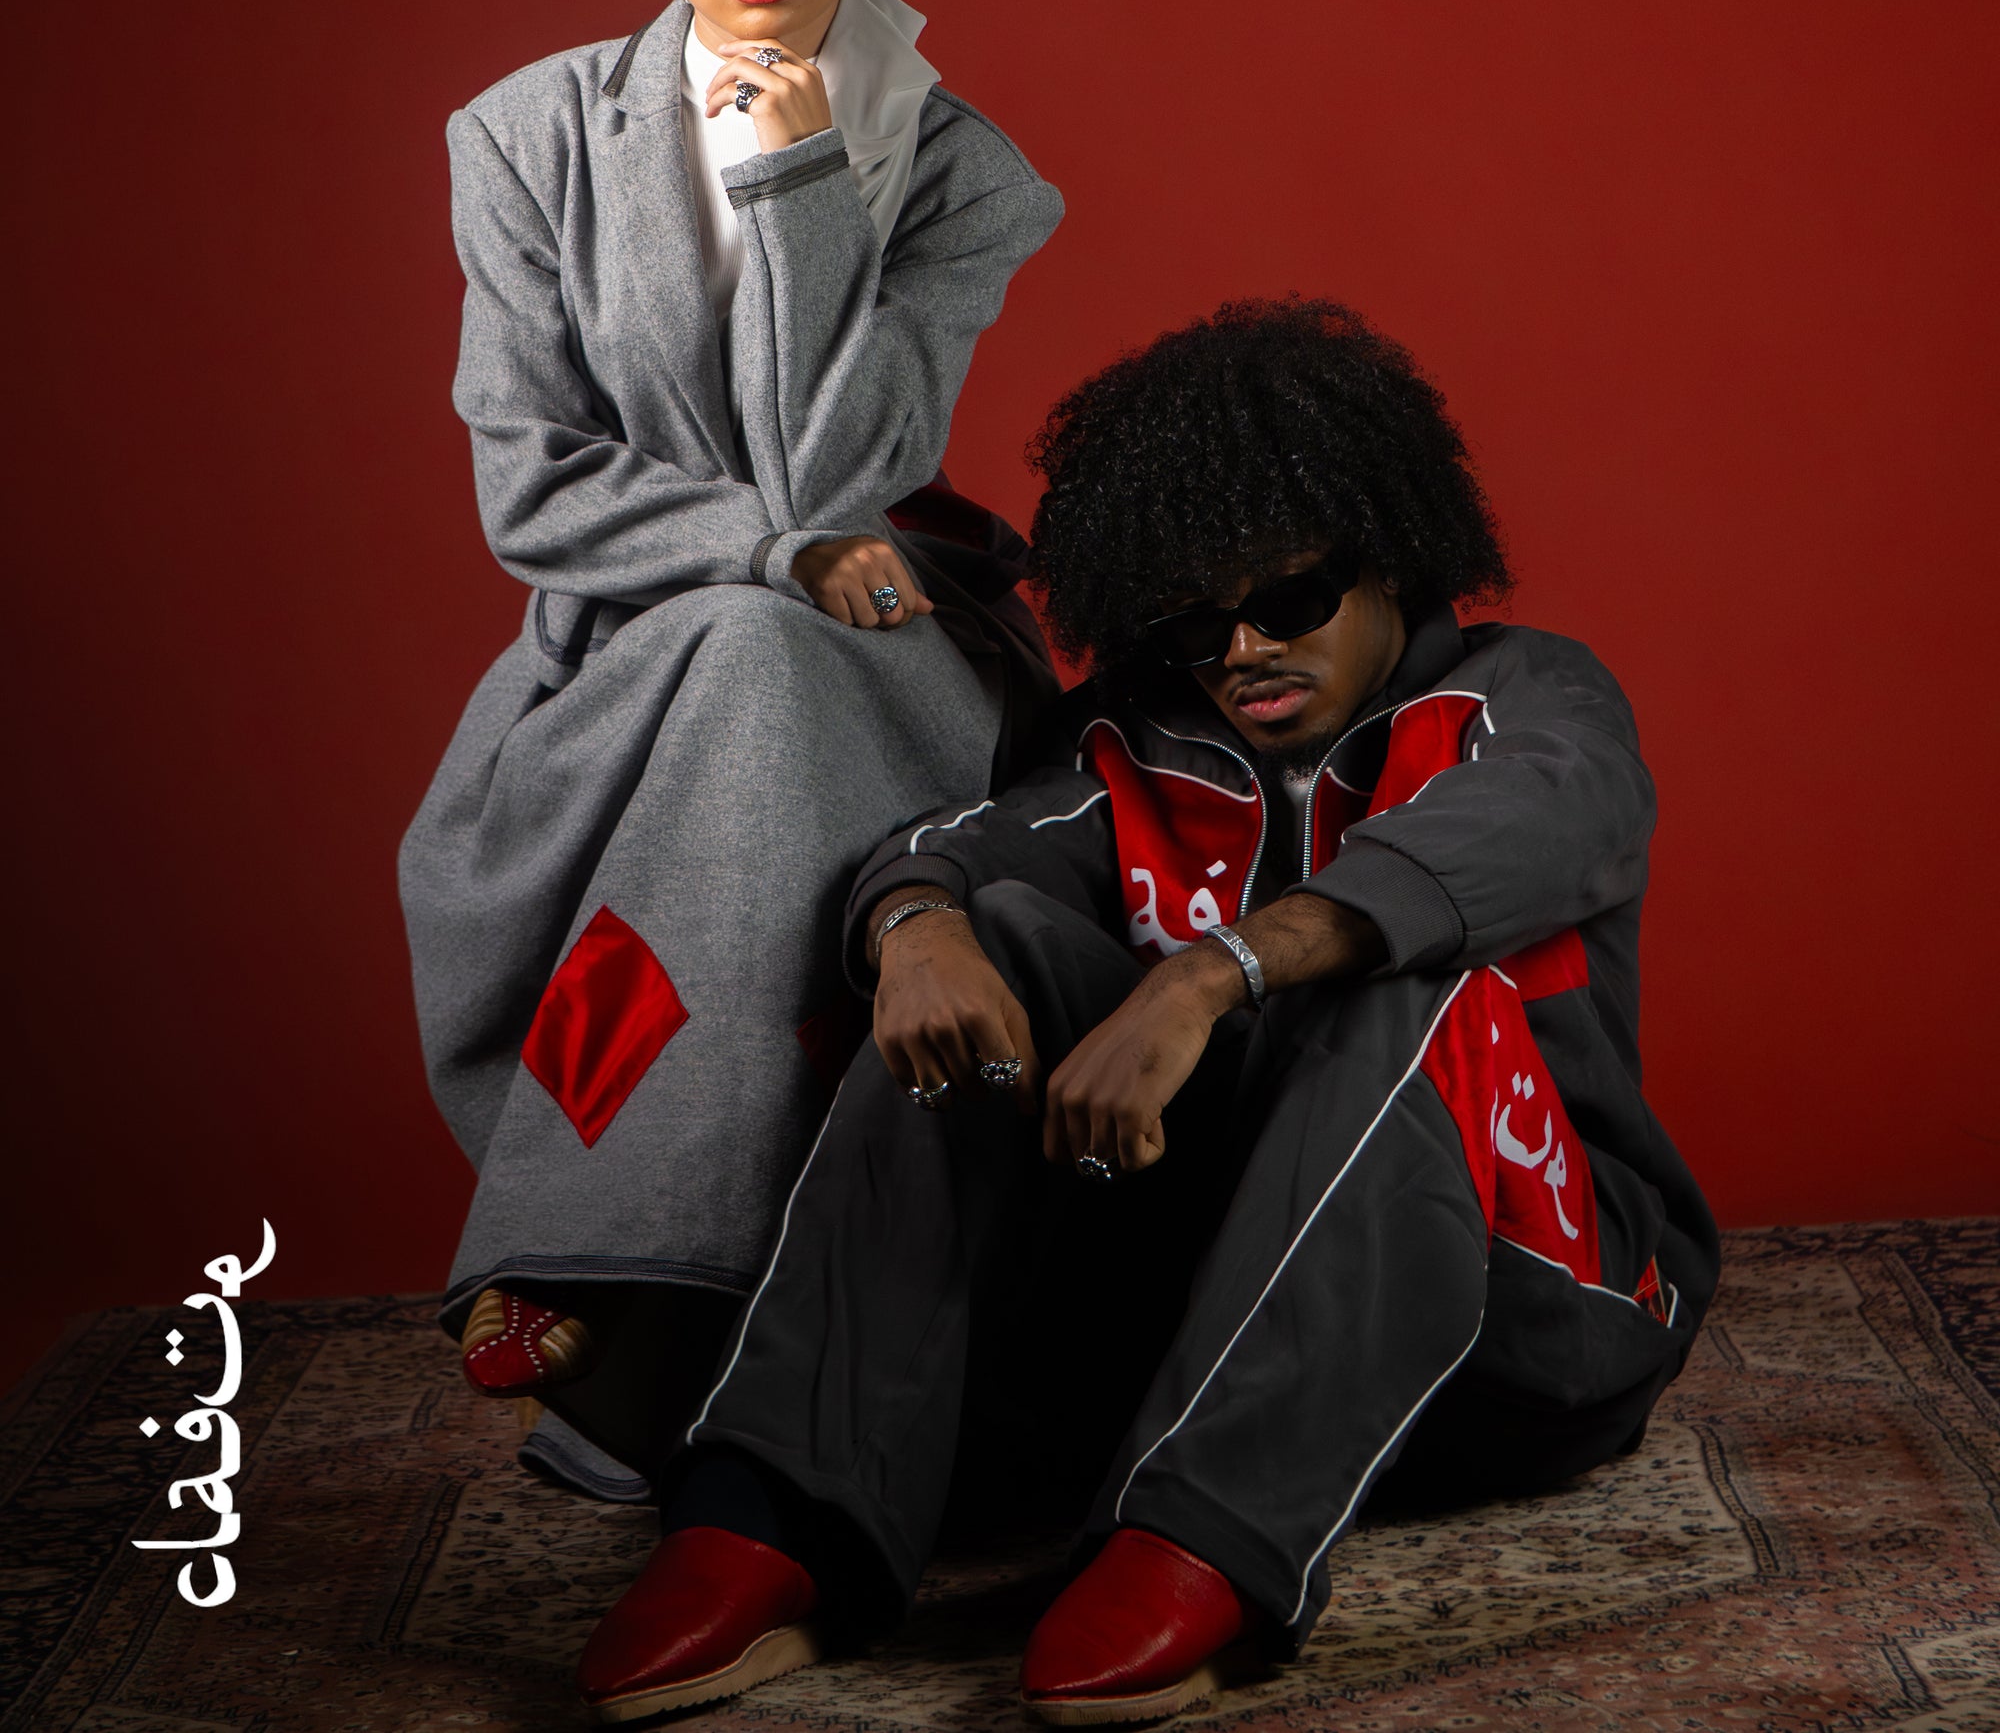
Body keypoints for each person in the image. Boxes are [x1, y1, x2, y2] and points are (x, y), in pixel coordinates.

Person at [575, 298, 1719, 1723]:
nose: (1241, 649)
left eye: (1287, 600)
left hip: (1522, 1324)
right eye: (1193, 621)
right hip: (1190, 1331)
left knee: (1411, 981)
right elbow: (963, 846)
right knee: (997, 936)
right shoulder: (1136, 742)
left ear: (1389, 555)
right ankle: (779, 1510)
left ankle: (1206, 1538)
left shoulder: (1529, 696)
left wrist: (1210, 971)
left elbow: (1538, 826)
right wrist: (917, 929)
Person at [398, 0, 1063, 1498]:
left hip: (890, 647)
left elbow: (840, 464)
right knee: (743, 663)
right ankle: (698, 1344)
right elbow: (532, 488)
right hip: (623, 656)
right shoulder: (528, 138)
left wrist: (793, 180)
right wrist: (765, 558)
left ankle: (593, 1279)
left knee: (765, 674)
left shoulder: (962, 169)